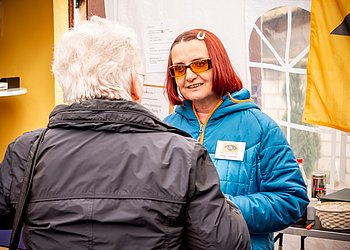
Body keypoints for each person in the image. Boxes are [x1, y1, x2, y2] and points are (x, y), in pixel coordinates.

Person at [0, 17, 250, 250]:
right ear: (134, 86)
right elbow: (227, 243)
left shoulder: (26, 150)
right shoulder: (182, 154)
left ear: (66, 84)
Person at [163, 28, 309, 250]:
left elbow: (291, 200)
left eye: (200, 64)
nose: (190, 75)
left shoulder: (259, 127)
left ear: (219, 64)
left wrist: (223, 207)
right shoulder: (167, 129)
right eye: (180, 69)